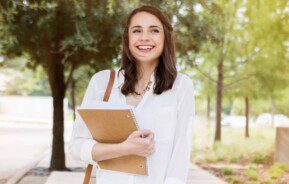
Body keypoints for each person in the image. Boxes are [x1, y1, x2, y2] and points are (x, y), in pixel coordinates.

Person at [69, 5, 195, 184]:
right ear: (127, 37)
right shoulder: (101, 83)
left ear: (165, 37)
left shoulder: (181, 86)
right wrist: (124, 148)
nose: (144, 37)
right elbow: (76, 148)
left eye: (154, 30)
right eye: (137, 30)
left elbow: (180, 157)